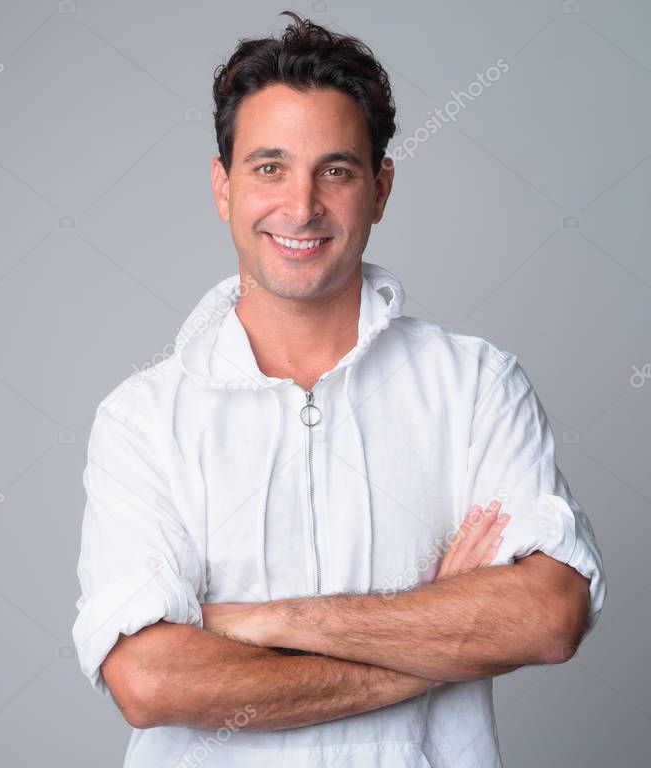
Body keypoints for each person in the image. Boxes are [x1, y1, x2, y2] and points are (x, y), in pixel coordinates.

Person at [71, 11, 606, 767]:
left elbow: (548, 618)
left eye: (337, 170)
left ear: (380, 188)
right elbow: (153, 681)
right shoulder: (143, 420)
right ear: (222, 187)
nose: (301, 207)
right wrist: (437, 634)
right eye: (269, 167)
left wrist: (264, 620)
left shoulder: (477, 387)